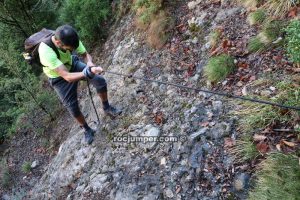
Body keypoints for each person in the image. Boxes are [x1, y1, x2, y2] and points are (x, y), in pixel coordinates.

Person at [38, 25, 122, 145]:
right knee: (72, 107)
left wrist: (90, 64)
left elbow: (85, 54)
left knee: (100, 81)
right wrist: (87, 72)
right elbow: (67, 76)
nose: (71, 50)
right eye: (68, 49)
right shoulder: (46, 52)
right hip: (59, 78)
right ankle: (87, 130)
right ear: (58, 42)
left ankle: (107, 108)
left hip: (72, 64)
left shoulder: (70, 38)